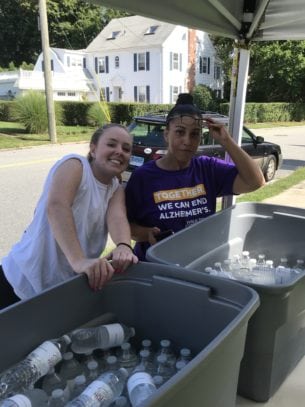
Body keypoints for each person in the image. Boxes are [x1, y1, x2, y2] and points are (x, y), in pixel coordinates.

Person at [0, 124, 138, 310]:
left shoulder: (115, 188)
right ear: (94, 148)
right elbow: (57, 206)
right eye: (111, 144)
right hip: (19, 280)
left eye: (126, 149)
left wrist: (123, 246)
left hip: (60, 289)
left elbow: (118, 217)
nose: (119, 151)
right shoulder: (75, 165)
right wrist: (79, 261)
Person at [125, 93, 265, 261]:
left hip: (196, 264)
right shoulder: (143, 177)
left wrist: (226, 140)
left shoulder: (208, 168)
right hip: (155, 267)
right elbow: (127, 226)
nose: (187, 141)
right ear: (166, 134)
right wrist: (147, 234)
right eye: (180, 132)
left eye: (195, 134)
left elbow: (256, 181)